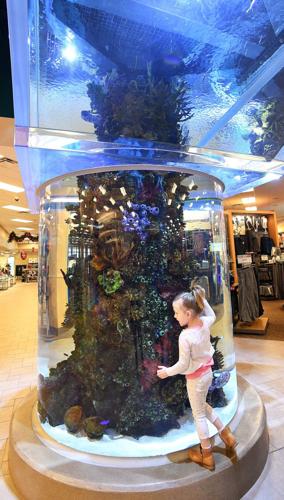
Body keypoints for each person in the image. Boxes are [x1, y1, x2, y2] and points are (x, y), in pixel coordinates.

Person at [157, 286, 237, 471]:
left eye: (177, 312)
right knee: (204, 407)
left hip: (195, 380)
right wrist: (203, 300)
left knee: (198, 415)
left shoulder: (185, 336)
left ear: (187, 313)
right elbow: (212, 315)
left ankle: (207, 455)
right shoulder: (204, 323)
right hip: (207, 374)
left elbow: (184, 365)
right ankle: (226, 435)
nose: (175, 316)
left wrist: (167, 372)